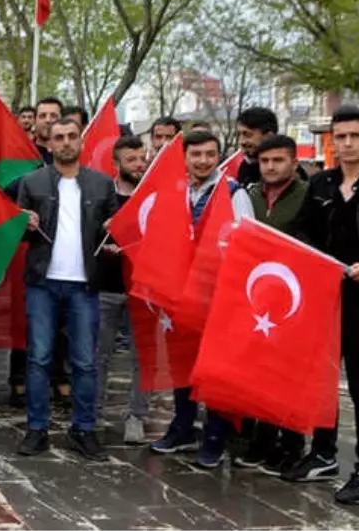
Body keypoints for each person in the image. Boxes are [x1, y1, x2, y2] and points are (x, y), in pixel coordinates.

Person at [15, 118, 119, 461]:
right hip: (43, 282)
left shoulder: (103, 185)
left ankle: (83, 430)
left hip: (84, 284)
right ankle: (37, 429)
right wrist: (24, 222)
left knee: (85, 362)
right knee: (39, 359)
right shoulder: (32, 182)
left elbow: (117, 229)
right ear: (49, 144)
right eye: (59, 138)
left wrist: (111, 228)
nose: (65, 142)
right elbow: (18, 231)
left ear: (82, 142)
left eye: (72, 136)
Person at [292, 106, 359, 503]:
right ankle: (323, 453)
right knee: (321, 380)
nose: (345, 143)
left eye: (353, 136)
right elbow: (302, 233)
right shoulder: (321, 184)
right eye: (338, 137)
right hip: (326, 296)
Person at [150, 130, 240, 468]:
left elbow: (244, 243)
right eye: (196, 154)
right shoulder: (174, 192)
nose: (203, 161)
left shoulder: (233, 192)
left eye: (210, 154)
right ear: (184, 157)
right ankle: (183, 428)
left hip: (217, 297)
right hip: (178, 295)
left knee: (214, 368)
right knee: (181, 364)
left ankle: (215, 436)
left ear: (219, 155)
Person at [229, 134, 309, 476]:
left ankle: (291, 445)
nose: (271, 167)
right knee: (259, 373)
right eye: (265, 161)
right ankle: (261, 441)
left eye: (278, 160)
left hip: (298, 299)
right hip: (257, 299)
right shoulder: (248, 197)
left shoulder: (309, 196)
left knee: (290, 376)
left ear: (293, 162)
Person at [94, 135, 150, 445]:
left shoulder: (152, 196)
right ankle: (94, 412)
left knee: (142, 357)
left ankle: (137, 418)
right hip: (106, 286)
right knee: (99, 354)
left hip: (142, 288)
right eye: (132, 160)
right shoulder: (103, 195)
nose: (139, 165)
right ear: (116, 164)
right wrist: (103, 236)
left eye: (142, 158)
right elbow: (89, 236)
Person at [32, 98, 64, 162]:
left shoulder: (74, 153)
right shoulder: (24, 152)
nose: (48, 120)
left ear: (62, 120)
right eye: (42, 116)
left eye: (53, 116)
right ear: (34, 120)